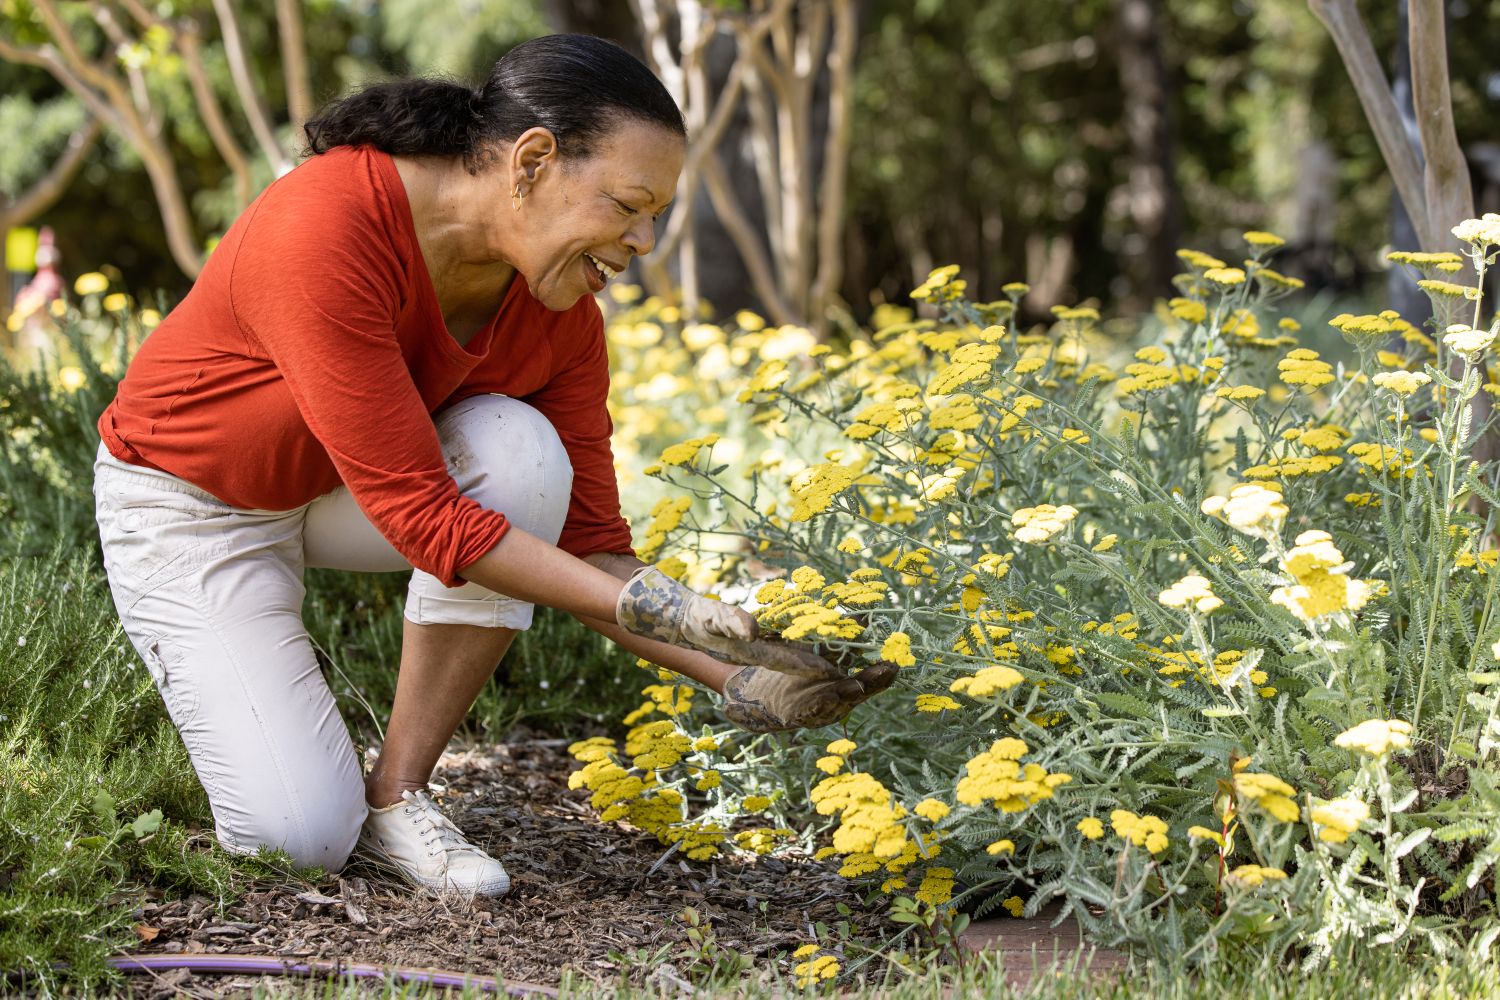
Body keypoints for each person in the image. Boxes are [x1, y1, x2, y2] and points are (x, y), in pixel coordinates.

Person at [92, 34, 893, 900]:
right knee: (298, 839)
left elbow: (590, 545)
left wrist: (744, 676)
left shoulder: (560, 311)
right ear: (534, 160)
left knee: (522, 454)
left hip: (338, 489)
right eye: (629, 204)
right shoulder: (324, 224)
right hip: (192, 501)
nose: (647, 240)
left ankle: (399, 793)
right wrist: (667, 606)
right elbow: (425, 519)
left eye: (657, 214)